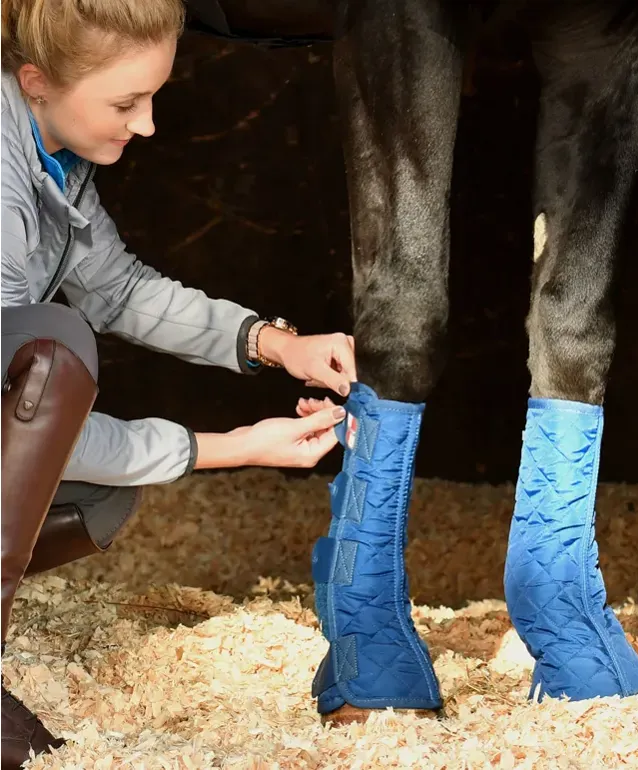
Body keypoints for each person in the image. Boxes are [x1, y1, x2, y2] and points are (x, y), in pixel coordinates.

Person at [0, 1, 356, 764]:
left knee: (100, 493)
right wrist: (230, 447)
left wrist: (275, 345)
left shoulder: (50, 153)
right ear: (36, 80)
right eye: (127, 103)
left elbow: (120, 290)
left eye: (153, 97)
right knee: (53, 349)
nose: (149, 124)